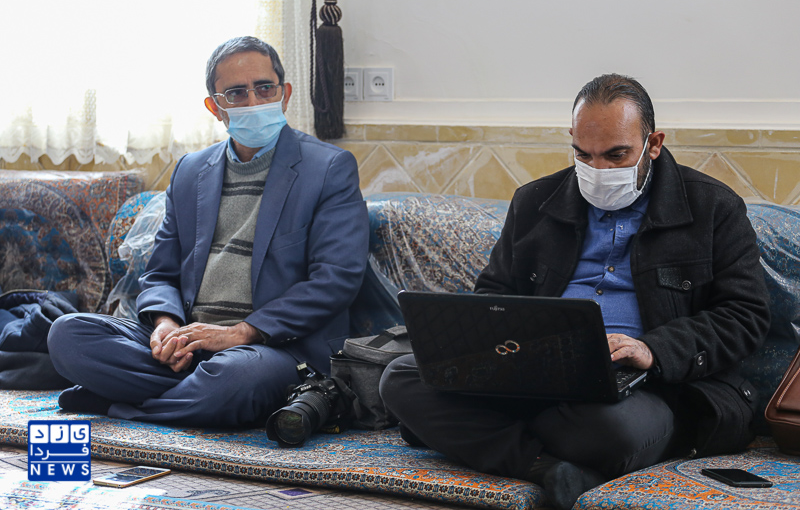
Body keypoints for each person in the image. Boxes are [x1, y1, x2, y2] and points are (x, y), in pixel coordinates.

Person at [379, 74, 770, 510]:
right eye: (584, 154)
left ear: (653, 144)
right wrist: (500, 350)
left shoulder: (713, 207)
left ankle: (484, 435)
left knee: (609, 432)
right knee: (402, 377)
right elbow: (493, 295)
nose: (599, 170)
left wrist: (652, 350)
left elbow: (746, 315)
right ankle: (543, 467)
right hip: (534, 371)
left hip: (650, 387)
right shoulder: (534, 203)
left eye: (616, 154)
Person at [48, 36, 370, 428]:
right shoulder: (190, 171)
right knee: (68, 335)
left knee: (235, 379)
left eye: (264, 88)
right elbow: (160, 273)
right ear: (215, 108)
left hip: (272, 349)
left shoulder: (329, 168)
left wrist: (240, 333)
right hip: (190, 343)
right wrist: (166, 325)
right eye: (236, 93)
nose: (253, 101)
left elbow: (336, 279)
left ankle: (116, 402)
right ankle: (195, 398)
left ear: (284, 95)